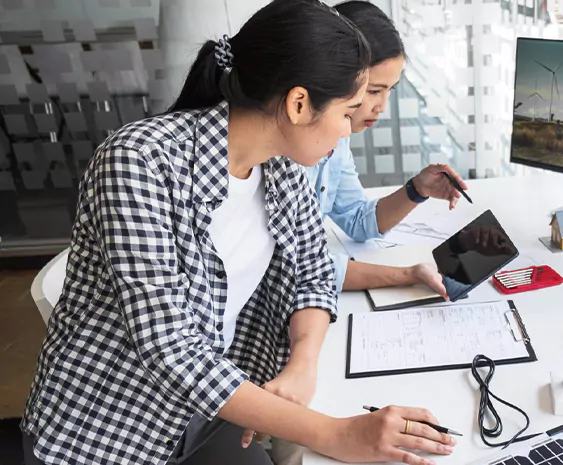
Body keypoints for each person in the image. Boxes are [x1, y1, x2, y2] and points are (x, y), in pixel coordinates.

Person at [19, 2, 455, 465]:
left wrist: (301, 367)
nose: (348, 130)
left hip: (209, 412)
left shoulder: (282, 166)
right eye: (347, 114)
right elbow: (172, 349)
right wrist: (334, 434)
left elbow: (312, 272)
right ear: (299, 103)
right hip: (109, 435)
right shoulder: (139, 162)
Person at [303, 0, 469, 298]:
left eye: (390, 91)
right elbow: (301, 270)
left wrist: (417, 189)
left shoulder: (337, 140)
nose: (381, 107)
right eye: (374, 91)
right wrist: (408, 275)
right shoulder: (289, 152)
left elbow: (356, 219)